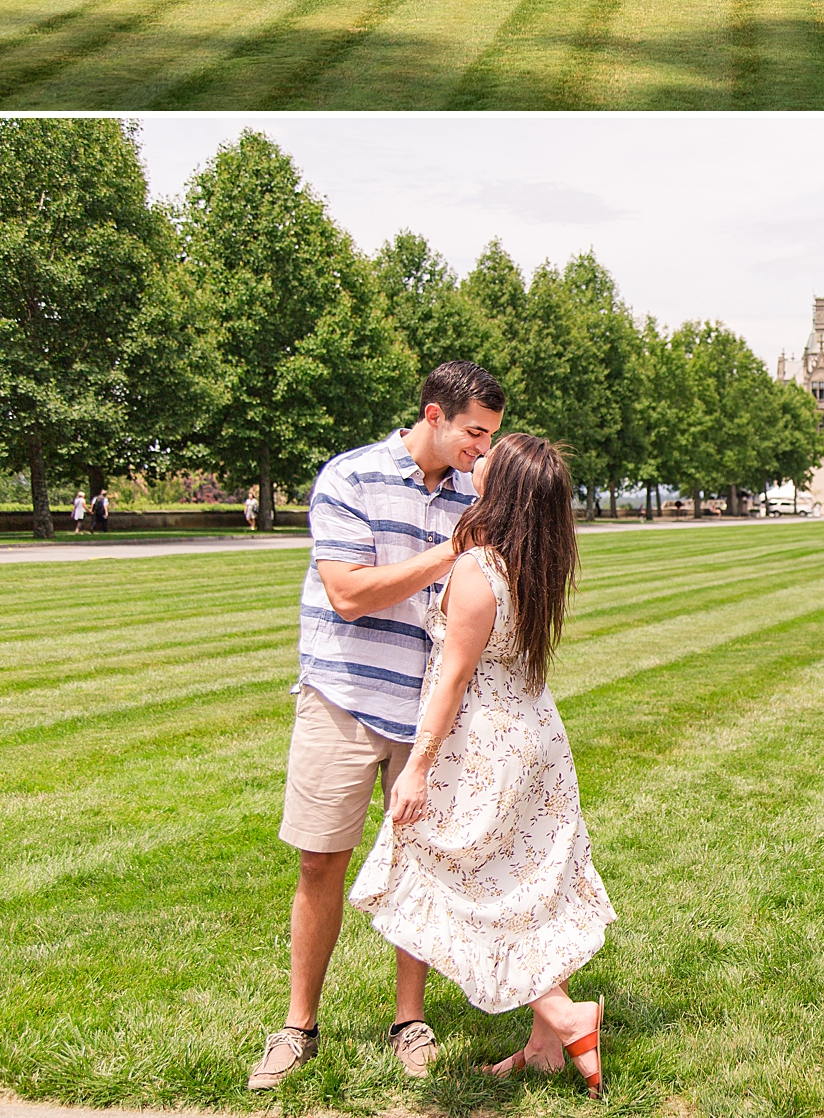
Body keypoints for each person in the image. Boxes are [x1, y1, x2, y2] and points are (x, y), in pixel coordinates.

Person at [248, 360, 508, 1093]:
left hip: (428, 711)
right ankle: (299, 1024)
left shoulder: (472, 493)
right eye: (473, 432)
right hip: (343, 696)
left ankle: (410, 1020)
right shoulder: (351, 478)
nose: (481, 449)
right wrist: (452, 551)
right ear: (433, 414)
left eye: (489, 436)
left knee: (421, 867)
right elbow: (349, 593)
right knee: (320, 859)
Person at [351, 433, 613, 1096]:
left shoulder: (479, 568)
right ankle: (546, 1046)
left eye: (493, 459)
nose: (480, 459)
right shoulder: (536, 560)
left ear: (508, 489)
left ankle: (563, 1012)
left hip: (485, 745)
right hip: (536, 738)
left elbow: (452, 678)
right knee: (523, 882)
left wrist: (416, 768)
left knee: (457, 875)